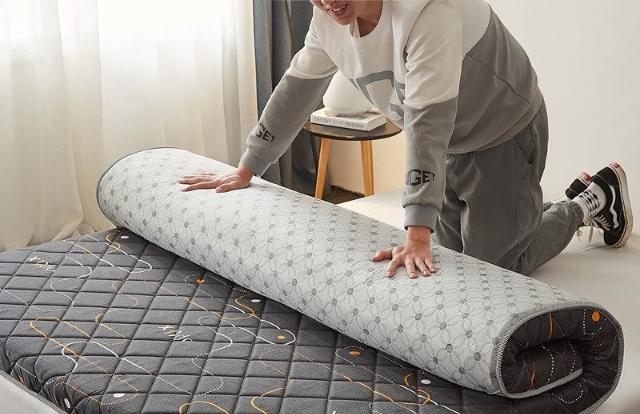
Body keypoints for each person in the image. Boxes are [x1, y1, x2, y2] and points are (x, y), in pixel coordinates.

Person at [180, 0, 633, 279]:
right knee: (452, 264)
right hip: (451, 144)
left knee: (495, 271)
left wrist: (416, 232)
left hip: (501, 132)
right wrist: (248, 166)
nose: (327, 1)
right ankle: (533, 212)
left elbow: (426, 125)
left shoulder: (429, 14)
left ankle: (589, 201)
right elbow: (297, 89)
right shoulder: (328, 19)